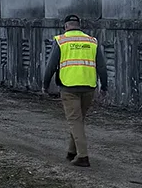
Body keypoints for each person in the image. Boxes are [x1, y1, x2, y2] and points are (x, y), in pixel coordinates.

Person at [42, 12, 108, 167]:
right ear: (79, 26)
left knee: (75, 121)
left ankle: (83, 156)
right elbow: (102, 67)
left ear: (65, 26)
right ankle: (72, 152)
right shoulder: (92, 41)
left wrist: (45, 85)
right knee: (78, 120)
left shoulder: (61, 41)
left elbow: (51, 66)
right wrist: (104, 86)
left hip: (69, 87)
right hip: (89, 87)